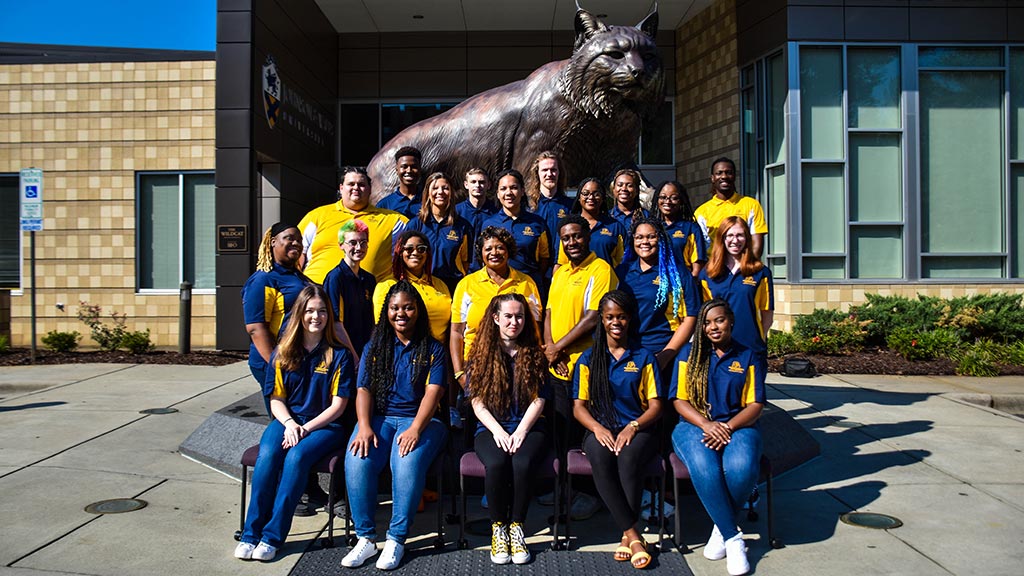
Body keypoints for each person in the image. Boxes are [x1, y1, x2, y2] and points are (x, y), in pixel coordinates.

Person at [233, 285, 354, 563]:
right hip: (288, 420)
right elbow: (276, 398)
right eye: (310, 310)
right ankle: (251, 534)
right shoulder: (283, 351)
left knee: (297, 457)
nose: (316, 317)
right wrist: (289, 424)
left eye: (322, 311)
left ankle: (273, 537)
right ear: (300, 313)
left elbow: (338, 407)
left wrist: (305, 429)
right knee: (268, 456)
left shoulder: (339, 355)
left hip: (325, 426)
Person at [342, 281, 449, 570]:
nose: (401, 313)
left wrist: (415, 428)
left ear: (418, 311)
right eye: (395, 308)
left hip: (424, 421)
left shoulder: (433, 348)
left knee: (405, 461)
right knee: (357, 458)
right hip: (380, 419)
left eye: (408, 307)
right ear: (386, 311)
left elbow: (433, 391)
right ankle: (365, 538)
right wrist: (364, 426)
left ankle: (396, 539)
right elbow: (363, 388)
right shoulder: (375, 346)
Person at [669, 299, 765, 576]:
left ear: (731, 322)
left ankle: (720, 530)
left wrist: (728, 427)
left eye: (719, 320)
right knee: (706, 467)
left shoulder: (747, 356)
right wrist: (706, 424)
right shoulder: (689, 354)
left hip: (738, 425)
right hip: (692, 425)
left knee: (742, 467)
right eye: (707, 322)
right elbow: (679, 400)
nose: (713, 327)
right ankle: (733, 539)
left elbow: (755, 405)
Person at [571, 290, 662, 570]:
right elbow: (578, 407)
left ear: (629, 319)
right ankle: (634, 536)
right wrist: (597, 429)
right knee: (600, 457)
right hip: (599, 428)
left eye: (621, 317)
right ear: (601, 319)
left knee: (627, 458)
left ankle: (626, 536)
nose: (616, 322)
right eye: (610, 317)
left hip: (638, 428)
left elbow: (656, 406)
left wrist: (633, 427)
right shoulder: (589, 358)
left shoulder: (644, 356)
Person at [466, 293, 550, 565]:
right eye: (509, 316)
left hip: (529, 425)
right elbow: (476, 402)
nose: (514, 322)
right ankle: (498, 528)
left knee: (523, 464)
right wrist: (498, 432)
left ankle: (517, 528)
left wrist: (522, 430)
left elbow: (540, 398)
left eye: (520, 316)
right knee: (498, 463)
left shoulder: (534, 352)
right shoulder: (481, 354)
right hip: (491, 427)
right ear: (496, 318)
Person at [544, 214, 618, 520]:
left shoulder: (600, 269)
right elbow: (548, 312)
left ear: (587, 237)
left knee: (585, 432)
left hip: (584, 366)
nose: (572, 242)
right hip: (556, 366)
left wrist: (558, 348)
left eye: (577, 236)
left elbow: (592, 317)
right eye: (566, 237)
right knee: (561, 432)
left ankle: (589, 493)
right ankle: (564, 487)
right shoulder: (560, 272)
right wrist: (550, 349)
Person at [450, 227, 542, 395]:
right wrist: (459, 373)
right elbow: (456, 332)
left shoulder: (526, 283)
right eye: (488, 249)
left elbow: (535, 329)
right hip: (476, 365)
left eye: (500, 247)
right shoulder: (467, 284)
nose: (495, 252)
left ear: (509, 251)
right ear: (481, 253)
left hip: (518, 365)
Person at [616, 217, 699, 372]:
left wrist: (665, 356)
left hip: (662, 352)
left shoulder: (676, 274)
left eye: (651, 236)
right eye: (639, 237)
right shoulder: (622, 272)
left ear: (661, 239)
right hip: (628, 353)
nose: (644, 242)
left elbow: (690, 317)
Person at [299, 166, 408, 284]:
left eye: (361, 184)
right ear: (341, 188)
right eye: (351, 184)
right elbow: (296, 252)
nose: (356, 188)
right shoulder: (317, 216)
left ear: (370, 189)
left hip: (368, 296)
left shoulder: (394, 220)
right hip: (317, 294)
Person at [698, 217, 774, 374]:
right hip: (717, 348)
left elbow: (767, 313)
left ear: (747, 238)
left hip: (750, 346)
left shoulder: (761, 272)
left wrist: (760, 338)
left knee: (753, 397)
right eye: (729, 235)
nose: (735, 240)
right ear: (722, 239)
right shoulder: (708, 273)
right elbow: (704, 313)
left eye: (740, 235)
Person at [241, 223, 309, 399]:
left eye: (299, 240)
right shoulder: (264, 279)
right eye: (289, 238)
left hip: (296, 358)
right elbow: (256, 328)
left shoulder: (296, 275)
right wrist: (276, 364)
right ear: (273, 242)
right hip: (275, 362)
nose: (296, 243)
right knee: (283, 418)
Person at [372, 230, 452, 345]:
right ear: (400, 252)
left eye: (421, 249)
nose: (415, 252)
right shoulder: (387, 285)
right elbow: (383, 327)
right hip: (405, 354)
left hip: (438, 354)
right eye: (409, 249)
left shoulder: (440, 285)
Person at [480, 169, 551, 297]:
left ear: (522, 191)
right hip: (498, 289)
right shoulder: (488, 224)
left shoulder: (537, 223)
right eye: (503, 189)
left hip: (529, 286)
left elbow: (544, 258)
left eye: (513, 188)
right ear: (497, 193)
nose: (508, 193)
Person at [405, 172, 473, 293]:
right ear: (427, 193)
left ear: (451, 193)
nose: (440, 192)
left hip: (451, 287)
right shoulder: (415, 224)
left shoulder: (463, 226)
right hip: (420, 285)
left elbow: (466, 262)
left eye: (445, 188)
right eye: (435, 188)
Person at [322, 219, 377, 358]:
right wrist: (354, 358)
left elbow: (373, 321)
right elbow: (335, 323)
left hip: (365, 354)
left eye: (363, 242)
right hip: (344, 355)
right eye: (353, 242)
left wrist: (367, 355)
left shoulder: (369, 280)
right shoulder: (335, 278)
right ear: (341, 245)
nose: (359, 247)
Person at [694, 158, 767, 259]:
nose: (724, 176)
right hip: (714, 269)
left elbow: (757, 245)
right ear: (712, 178)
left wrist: (746, 268)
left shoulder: (751, 205)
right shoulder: (701, 211)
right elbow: (699, 248)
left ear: (734, 176)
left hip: (744, 268)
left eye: (728, 173)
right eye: (719, 173)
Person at [556, 177, 626, 269]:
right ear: (578, 197)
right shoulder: (568, 226)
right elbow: (562, 263)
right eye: (585, 193)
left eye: (596, 194)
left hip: (605, 280)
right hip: (575, 281)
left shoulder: (615, 227)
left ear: (603, 198)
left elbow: (623, 262)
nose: (591, 197)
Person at [655, 180, 707, 276]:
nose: (667, 201)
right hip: (654, 282)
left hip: (682, 282)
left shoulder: (691, 228)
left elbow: (697, 265)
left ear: (681, 201)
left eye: (674, 198)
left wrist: (690, 284)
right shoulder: (651, 226)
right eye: (663, 197)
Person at [525, 151, 574, 249]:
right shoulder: (527, 205)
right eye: (545, 170)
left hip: (562, 263)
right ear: (537, 173)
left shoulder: (570, 205)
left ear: (559, 173)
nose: (549, 174)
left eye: (553, 170)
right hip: (533, 263)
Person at [375, 146, 423, 219]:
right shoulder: (385, 205)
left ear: (419, 169)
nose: (409, 170)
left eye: (414, 166)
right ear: (397, 170)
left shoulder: (429, 200)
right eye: (404, 166)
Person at [456, 168, 497, 238]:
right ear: (466, 185)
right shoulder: (456, 211)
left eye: (482, 182)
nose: (477, 185)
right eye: (473, 182)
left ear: (489, 185)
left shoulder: (496, 213)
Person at [609, 168, 648, 234]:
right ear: (613, 189)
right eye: (620, 185)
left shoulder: (646, 216)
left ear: (636, 190)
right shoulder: (607, 217)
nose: (624, 189)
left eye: (629, 185)